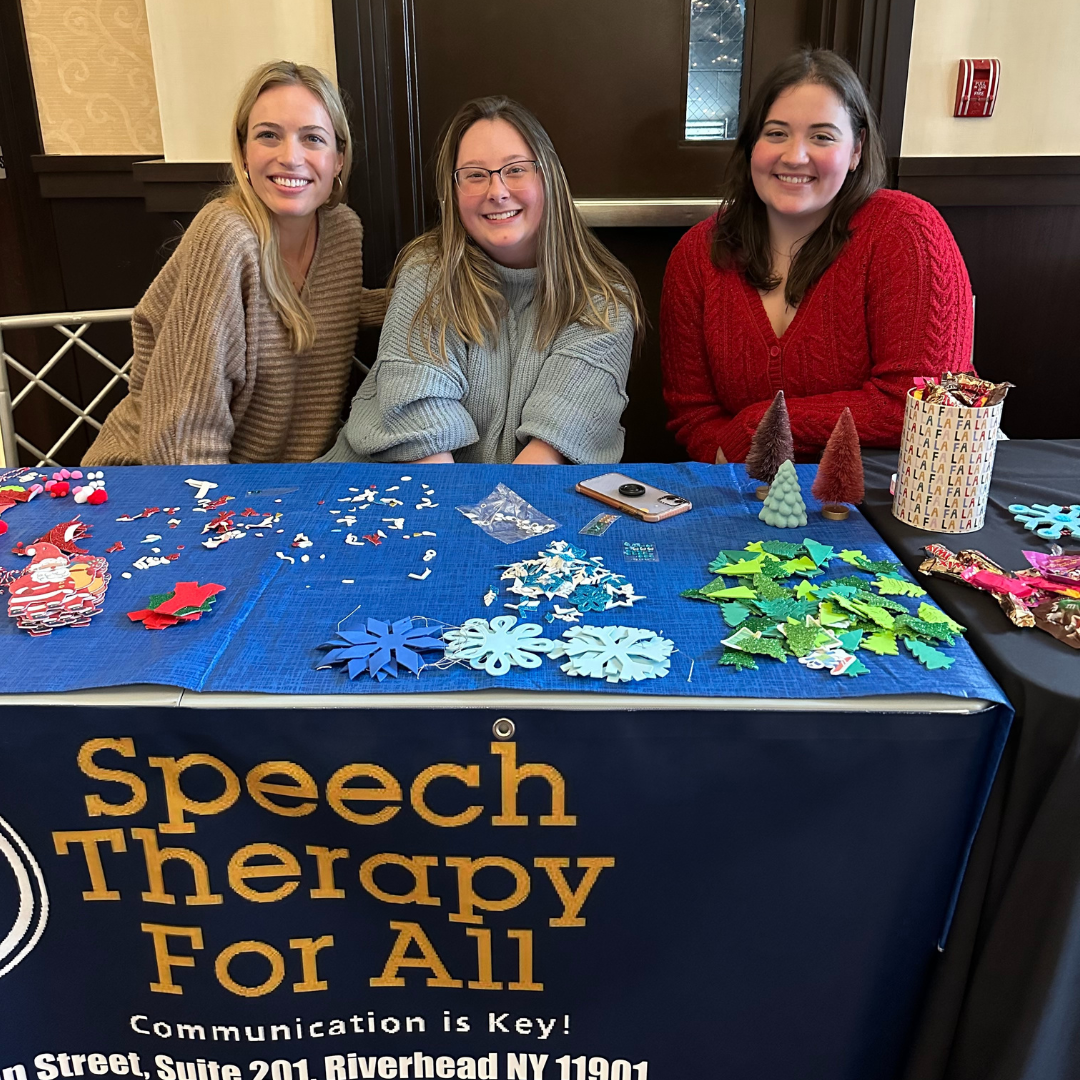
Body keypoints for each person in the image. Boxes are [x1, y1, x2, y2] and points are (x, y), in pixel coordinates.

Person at [660, 48, 975, 465]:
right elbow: (693, 414)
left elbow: (919, 402)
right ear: (751, 144)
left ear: (857, 150)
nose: (795, 156)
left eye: (822, 136)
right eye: (775, 133)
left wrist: (761, 428)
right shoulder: (697, 255)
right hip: (739, 492)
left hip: (883, 499)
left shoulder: (907, 232)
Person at [83, 61, 387, 466]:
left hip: (279, 488)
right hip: (157, 485)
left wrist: (442, 292)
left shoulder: (342, 231)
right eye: (268, 136)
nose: (290, 157)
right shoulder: (225, 235)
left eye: (312, 138)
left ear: (338, 158)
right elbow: (182, 440)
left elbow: (333, 304)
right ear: (244, 153)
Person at [321, 96, 643, 465]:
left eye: (516, 169)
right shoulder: (428, 271)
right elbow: (425, 445)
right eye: (475, 175)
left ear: (549, 176)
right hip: (397, 491)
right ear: (453, 194)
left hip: (520, 505)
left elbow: (546, 458)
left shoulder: (604, 301)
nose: (497, 191)